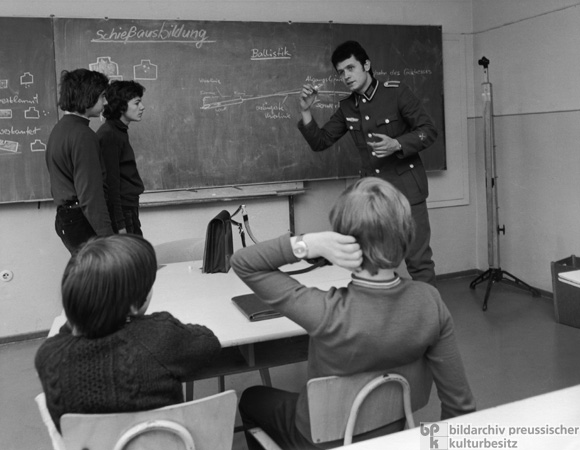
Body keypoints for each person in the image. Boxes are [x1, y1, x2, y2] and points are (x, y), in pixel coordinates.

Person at [231, 178, 475, 450]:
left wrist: (307, 243)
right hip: (391, 436)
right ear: (407, 233)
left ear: (343, 240)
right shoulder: (430, 301)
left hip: (319, 441)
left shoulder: (326, 311)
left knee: (251, 398)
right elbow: (460, 406)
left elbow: (244, 263)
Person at [35, 234, 221, 432]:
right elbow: (210, 343)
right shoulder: (159, 335)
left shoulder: (48, 355)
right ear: (133, 304)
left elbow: (69, 332)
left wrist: (81, 314)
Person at [298, 40, 438, 286]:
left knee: (419, 262)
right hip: (373, 198)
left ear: (366, 65)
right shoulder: (347, 107)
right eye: (341, 72)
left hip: (407, 191)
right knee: (374, 261)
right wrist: (307, 112)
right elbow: (320, 142)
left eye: (351, 68)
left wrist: (397, 144)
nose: (346, 76)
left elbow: (429, 130)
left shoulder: (396, 93)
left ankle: (429, 318)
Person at [46, 68, 113, 254]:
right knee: (103, 280)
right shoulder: (83, 135)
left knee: (90, 279)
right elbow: (90, 194)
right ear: (88, 96)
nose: (106, 102)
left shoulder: (60, 129)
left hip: (67, 218)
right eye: (102, 96)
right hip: (82, 219)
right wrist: (109, 238)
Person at [97, 80, 146, 235]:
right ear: (121, 105)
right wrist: (120, 225)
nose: (142, 107)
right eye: (137, 103)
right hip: (124, 212)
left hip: (128, 209)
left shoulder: (118, 131)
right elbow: (111, 184)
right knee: (134, 257)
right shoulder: (110, 134)